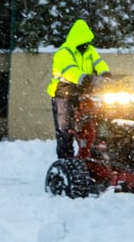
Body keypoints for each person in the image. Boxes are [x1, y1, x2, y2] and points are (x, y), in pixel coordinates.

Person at [47, 19, 111, 159]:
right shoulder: (63, 52)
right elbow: (70, 71)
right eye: (83, 43)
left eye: (87, 42)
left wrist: (106, 75)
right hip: (64, 93)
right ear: (77, 40)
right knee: (65, 129)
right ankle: (66, 158)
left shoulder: (90, 51)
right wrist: (85, 79)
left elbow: (100, 64)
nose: (86, 46)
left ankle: (94, 151)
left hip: (84, 91)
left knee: (100, 119)